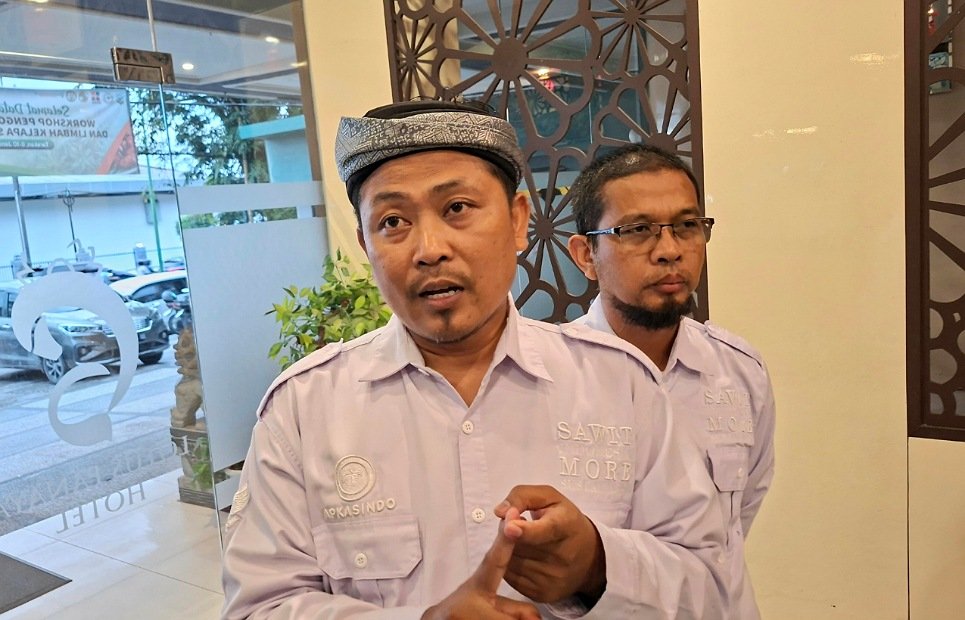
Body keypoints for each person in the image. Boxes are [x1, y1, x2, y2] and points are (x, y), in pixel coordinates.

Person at [221, 101, 730, 619]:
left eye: (457, 208)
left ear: (517, 221)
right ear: (366, 245)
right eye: (393, 221)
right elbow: (257, 608)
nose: (430, 248)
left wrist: (598, 566)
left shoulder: (621, 384)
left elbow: (710, 588)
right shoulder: (303, 410)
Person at [566, 144, 776, 619]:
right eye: (637, 230)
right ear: (585, 255)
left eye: (686, 226)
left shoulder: (738, 371)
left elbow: (741, 512)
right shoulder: (552, 378)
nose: (669, 250)